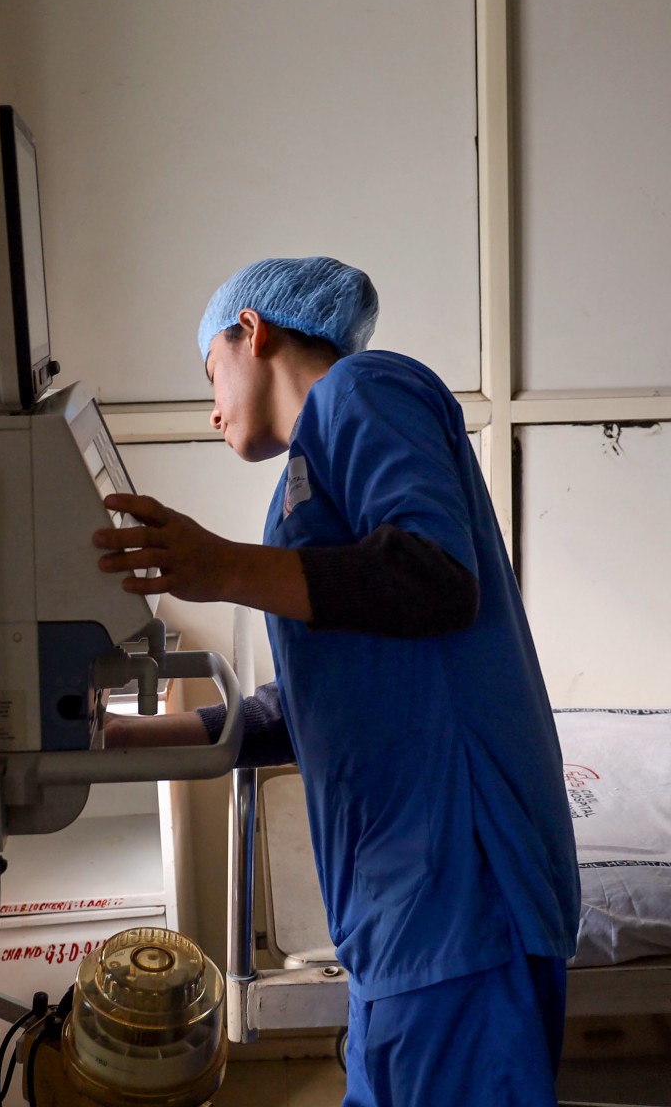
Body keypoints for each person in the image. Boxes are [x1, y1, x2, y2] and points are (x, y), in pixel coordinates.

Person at [92, 257, 579, 1106]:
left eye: (211, 371)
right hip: (399, 909)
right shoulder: (297, 491)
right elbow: (302, 708)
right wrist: (120, 742)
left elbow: (434, 578)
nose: (211, 407)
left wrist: (224, 567)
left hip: (460, 896)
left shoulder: (364, 388)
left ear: (254, 331)